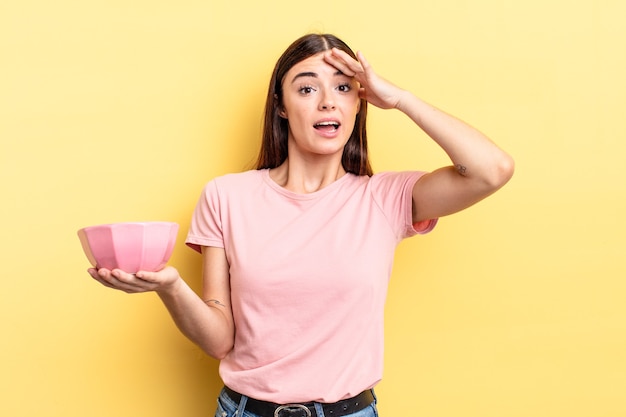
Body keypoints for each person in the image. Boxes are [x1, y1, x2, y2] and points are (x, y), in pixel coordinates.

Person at [89, 33, 514, 417]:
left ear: (359, 102)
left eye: (344, 88)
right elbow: (219, 341)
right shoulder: (226, 196)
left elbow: (491, 170)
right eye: (307, 88)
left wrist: (400, 98)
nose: (328, 102)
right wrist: (170, 286)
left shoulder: (385, 198)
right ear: (281, 106)